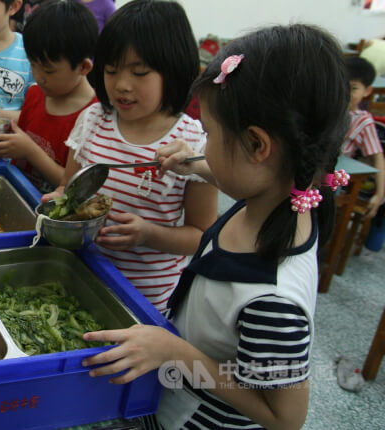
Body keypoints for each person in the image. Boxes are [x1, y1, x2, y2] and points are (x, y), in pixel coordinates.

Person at [83, 24, 350, 430]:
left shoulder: (272, 298)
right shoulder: (279, 199)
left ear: (258, 145)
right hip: (170, 394)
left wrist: (177, 353)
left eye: (208, 134)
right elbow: (238, 175)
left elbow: (285, 417)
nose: (202, 143)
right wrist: (192, 163)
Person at [43, 0, 217, 312]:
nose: (122, 85)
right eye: (111, 71)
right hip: (82, 276)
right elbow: (69, 186)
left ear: (173, 71)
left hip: (145, 297)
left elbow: (201, 235)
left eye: (139, 73)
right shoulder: (94, 120)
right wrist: (57, 201)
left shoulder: (190, 142)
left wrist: (149, 234)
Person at [0, 0, 98, 193]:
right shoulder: (37, 92)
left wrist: (30, 151)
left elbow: (72, 187)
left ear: (83, 67)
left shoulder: (92, 117)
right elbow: (36, 121)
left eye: (48, 71)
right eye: (32, 65)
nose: (38, 76)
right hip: (15, 192)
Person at [342, 55, 385, 217]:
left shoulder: (362, 120)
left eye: (353, 88)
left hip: (332, 181)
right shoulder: (325, 108)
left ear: (367, 91)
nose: (345, 92)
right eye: (341, 85)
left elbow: (378, 157)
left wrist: (379, 194)